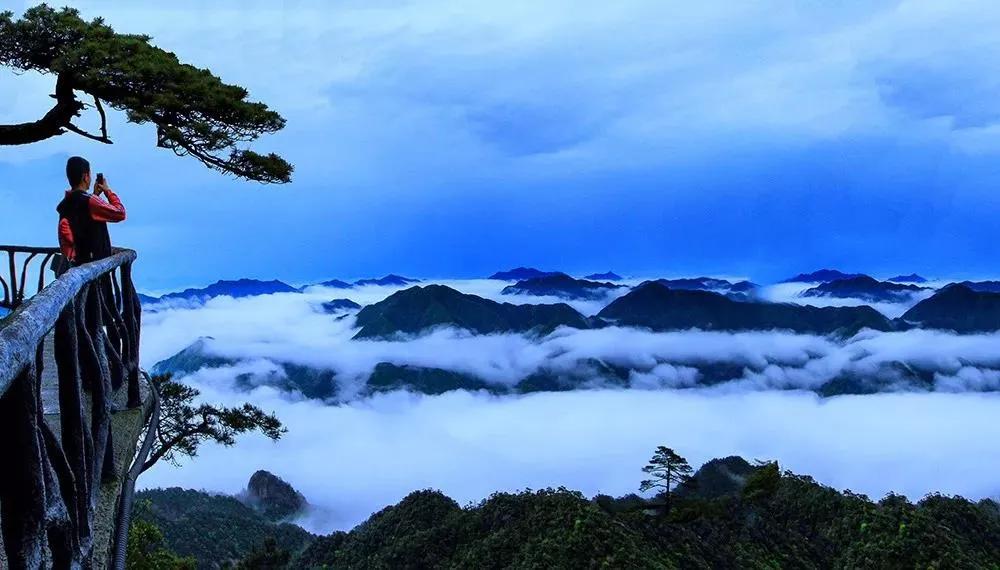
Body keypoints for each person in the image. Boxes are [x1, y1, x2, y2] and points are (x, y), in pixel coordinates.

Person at [57, 156, 126, 265]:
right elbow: (120, 213)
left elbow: (82, 219)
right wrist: (108, 192)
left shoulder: (66, 202)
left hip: (76, 264)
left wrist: (95, 195)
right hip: (95, 266)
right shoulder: (90, 201)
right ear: (85, 177)